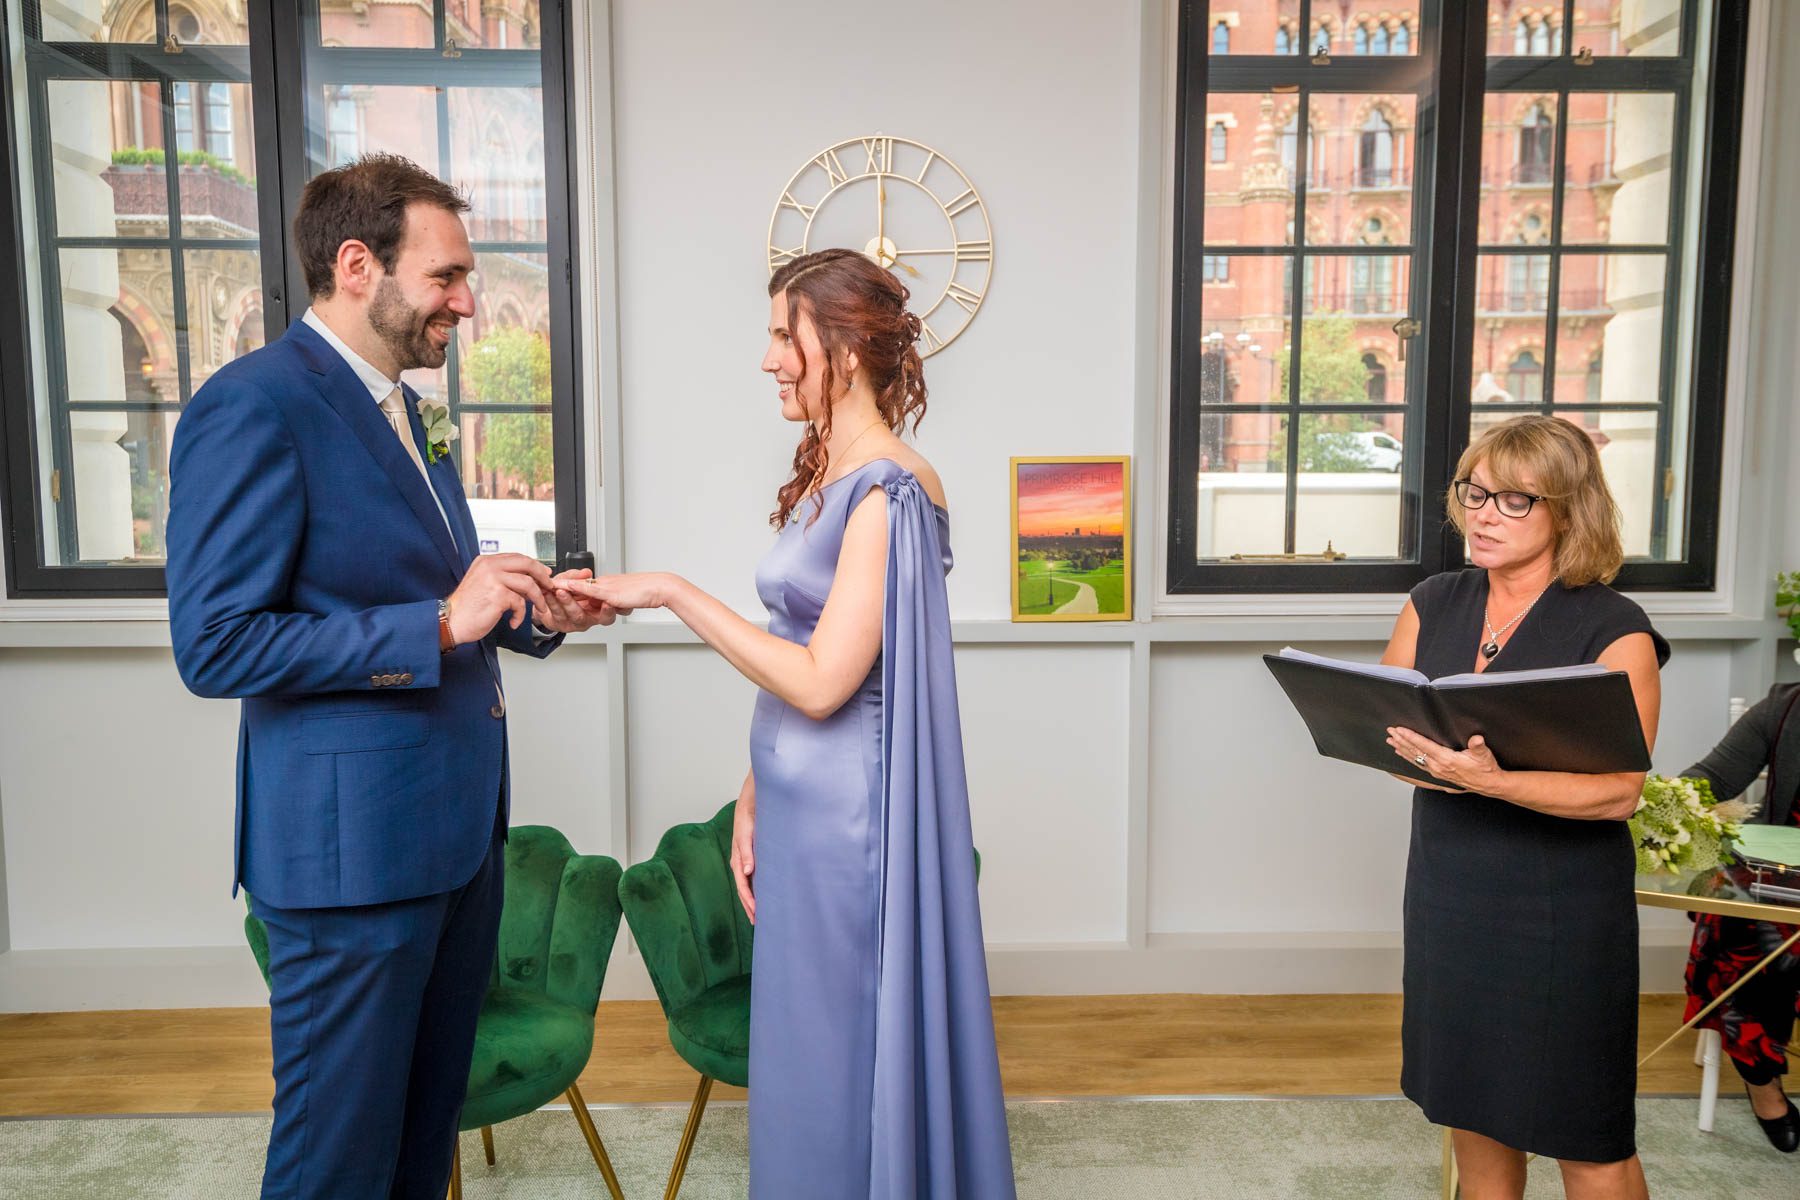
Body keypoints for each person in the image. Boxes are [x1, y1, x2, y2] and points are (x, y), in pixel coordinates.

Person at [165, 154, 611, 1200]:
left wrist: (534, 612)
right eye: (449, 275)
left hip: (455, 851)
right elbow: (216, 642)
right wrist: (440, 620)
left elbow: (430, 596)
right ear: (358, 265)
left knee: (419, 1150)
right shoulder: (255, 405)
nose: (469, 299)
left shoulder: (408, 410)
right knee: (335, 1164)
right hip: (348, 865)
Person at [555, 248, 1016, 1198]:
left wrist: (673, 593)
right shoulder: (827, 471)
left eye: (781, 335)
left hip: (852, 827)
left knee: (844, 1056)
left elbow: (821, 683)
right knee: (805, 1052)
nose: (768, 359)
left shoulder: (889, 489)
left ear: (841, 348)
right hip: (801, 813)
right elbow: (794, 640)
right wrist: (756, 789)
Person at [1378, 414, 1667, 1199]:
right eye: (1475, 492)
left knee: (1588, 1136)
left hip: (1561, 915)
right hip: (1450, 895)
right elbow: (1391, 728)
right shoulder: (1432, 602)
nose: (1482, 512)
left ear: (1569, 511)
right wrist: (1420, 761)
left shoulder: (1616, 631)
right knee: (1475, 1120)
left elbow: (1616, 793)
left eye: (1513, 500)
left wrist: (1491, 780)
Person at [1680, 682, 1800, 1152]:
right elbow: (1708, 778)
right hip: (1784, 877)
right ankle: (1762, 1080)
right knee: (1748, 925)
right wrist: (1656, 806)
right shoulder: (1786, 707)